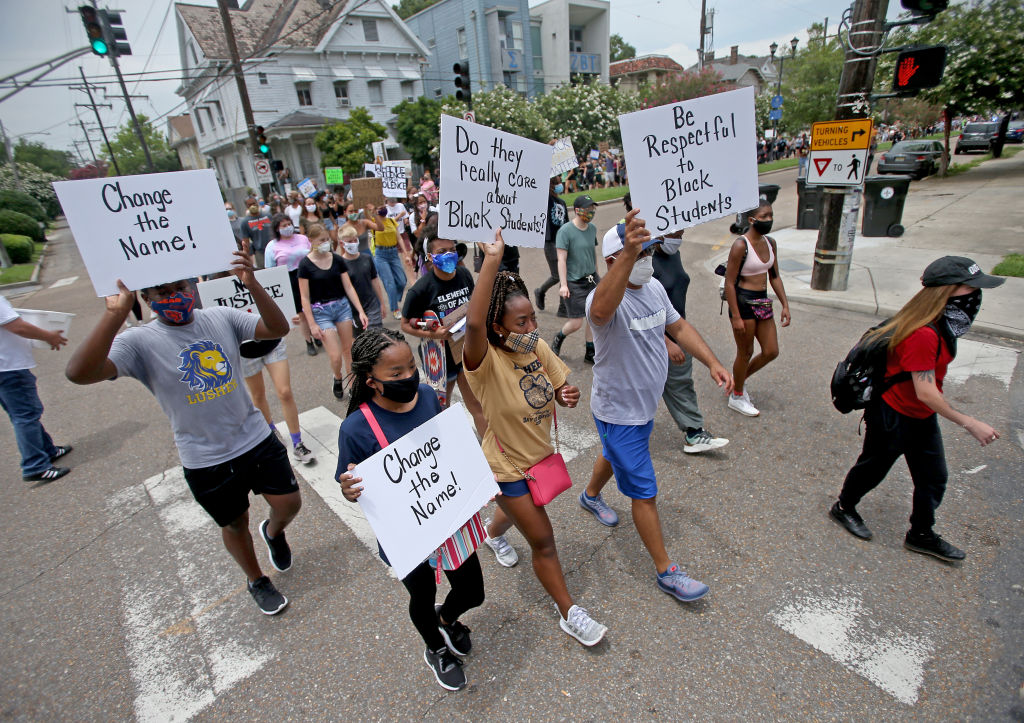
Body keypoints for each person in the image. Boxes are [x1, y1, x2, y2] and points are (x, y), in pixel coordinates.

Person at [65, 245, 301, 615]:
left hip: (255, 437)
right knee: (234, 522)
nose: (174, 296)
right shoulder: (138, 342)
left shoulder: (219, 317)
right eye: (161, 292)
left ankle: (273, 533)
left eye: (179, 286)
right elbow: (79, 373)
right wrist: (115, 315)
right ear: (146, 298)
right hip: (206, 458)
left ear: (192, 284)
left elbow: (277, 327)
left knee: (289, 504)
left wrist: (252, 283)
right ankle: (257, 579)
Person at [464, 230, 608, 647]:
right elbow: (473, 323)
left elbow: (563, 393)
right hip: (506, 466)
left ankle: (493, 534)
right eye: (521, 322)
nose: (531, 327)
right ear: (498, 326)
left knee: (518, 514)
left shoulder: (537, 348)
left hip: (539, 458)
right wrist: (492, 260)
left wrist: (567, 395)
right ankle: (570, 612)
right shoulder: (483, 359)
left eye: (532, 319)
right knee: (543, 540)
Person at [580, 211, 732, 603]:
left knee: (613, 454)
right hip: (618, 411)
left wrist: (712, 361)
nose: (649, 258)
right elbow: (600, 312)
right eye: (638, 253)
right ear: (615, 261)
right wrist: (629, 251)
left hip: (642, 408)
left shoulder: (654, 290)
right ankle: (667, 572)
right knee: (643, 491)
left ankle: (590, 495)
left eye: (648, 251)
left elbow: (677, 327)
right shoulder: (604, 299)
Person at [337, 329, 485, 691]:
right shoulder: (356, 428)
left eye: (411, 367)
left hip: (448, 516)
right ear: (372, 382)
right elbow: (349, 482)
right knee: (422, 597)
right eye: (396, 373)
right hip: (407, 533)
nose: (408, 377)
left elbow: (445, 446)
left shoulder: (426, 396)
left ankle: (447, 619)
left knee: (473, 593)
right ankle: (435, 648)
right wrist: (349, 487)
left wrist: (475, 479)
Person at [830, 257, 1004, 562]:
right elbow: (925, 392)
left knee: (933, 478)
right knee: (873, 468)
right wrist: (969, 422)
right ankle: (843, 507)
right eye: (971, 288)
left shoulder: (941, 324)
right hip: (893, 416)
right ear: (948, 291)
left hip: (920, 417)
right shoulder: (924, 333)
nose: (976, 295)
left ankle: (921, 534)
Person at [622, 193, 729, 453]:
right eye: (676, 231)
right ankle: (622, 435)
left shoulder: (672, 254)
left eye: (682, 231)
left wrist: (712, 362)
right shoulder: (643, 263)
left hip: (675, 327)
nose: (680, 235)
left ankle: (694, 431)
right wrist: (666, 341)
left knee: (680, 382)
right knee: (639, 388)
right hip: (653, 337)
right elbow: (635, 308)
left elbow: (675, 315)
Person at [400, 235, 487, 437]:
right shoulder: (420, 290)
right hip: (439, 359)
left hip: (465, 351)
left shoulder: (464, 275)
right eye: (441, 252)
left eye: (452, 250)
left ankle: (492, 454)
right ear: (430, 257)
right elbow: (405, 324)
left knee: (477, 405)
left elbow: (473, 305)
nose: (448, 255)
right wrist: (433, 334)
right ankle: (449, 452)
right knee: (442, 409)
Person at [723, 200, 791, 417]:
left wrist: (785, 305)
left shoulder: (770, 243)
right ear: (752, 220)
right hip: (743, 301)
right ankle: (737, 395)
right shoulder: (740, 245)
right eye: (764, 216)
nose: (769, 220)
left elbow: (775, 276)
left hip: (762, 301)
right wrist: (735, 315)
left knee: (771, 351)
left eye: (771, 215)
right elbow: (729, 282)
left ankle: (738, 381)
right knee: (746, 352)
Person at [0, 298, 73, 482]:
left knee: (21, 414)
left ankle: (48, 450)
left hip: (3, 369)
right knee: (26, 415)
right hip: (9, 367)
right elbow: (18, 327)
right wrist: (49, 336)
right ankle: (36, 465)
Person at [298, 223, 369, 399]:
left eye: (327, 239)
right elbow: (304, 297)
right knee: (335, 356)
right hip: (321, 312)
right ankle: (337, 377)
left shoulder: (337, 260)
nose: (326, 243)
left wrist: (360, 311)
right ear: (311, 240)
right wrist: (312, 324)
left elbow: (349, 287)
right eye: (322, 240)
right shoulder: (305, 265)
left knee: (349, 349)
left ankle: (353, 386)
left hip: (341, 307)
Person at [552, 195, 599, 364]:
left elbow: (592, 254)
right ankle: (558, 337)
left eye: (592, 208)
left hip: (592, 279)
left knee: (594, 317)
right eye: (588, 208)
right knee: (576, 322)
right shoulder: (565, 231)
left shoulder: (592, 228)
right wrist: (564, 285)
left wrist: (596, 274)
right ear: (577, 210)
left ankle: (590, 351)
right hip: (574, 282)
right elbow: (561, 259)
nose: (591, 212)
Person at [264, 213, 319, 357]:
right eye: (283, 225)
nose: (287, 227)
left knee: (315, 307)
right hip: (290, 279)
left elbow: (314, 253)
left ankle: (317, 332)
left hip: (309, 275)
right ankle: (309, 341)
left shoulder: (302, 238)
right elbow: (270, 270)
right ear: (277, 229)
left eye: (289, 224)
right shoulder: (272, 246)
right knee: (302, 313)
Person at [338, 226, 388, 335]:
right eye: (349, 241)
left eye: (355, 240)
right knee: (360, 340)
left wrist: (382, 303)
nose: (353, 243)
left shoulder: (367, 258)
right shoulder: (340, 264)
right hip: (352, 310)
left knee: (376, 335)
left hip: (371, 304)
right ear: (342, 244)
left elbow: (375, 281)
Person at [533, 175, 569, 312]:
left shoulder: (562, 202)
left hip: (563, 242)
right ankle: (540, 291)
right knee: (557, 275)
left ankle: (563, 306)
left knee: (565, 273)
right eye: (558, 183)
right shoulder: (547, 200)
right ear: (552, 185)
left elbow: (566, 224)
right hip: (550, 242)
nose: (561, 185)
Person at [371, 204, 408, 321]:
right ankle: (395, 308)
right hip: (381, 255)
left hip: (393, 253)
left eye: (383, 206)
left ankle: (394, 297)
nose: (382, 209)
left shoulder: (392, 221)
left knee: (402, 281)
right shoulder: (373, 222)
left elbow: (399, 238)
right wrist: (371, 210)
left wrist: (406, 254)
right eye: (379, 207)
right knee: (390, 283)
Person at [240, 204, 274, 269]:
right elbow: (245, 241)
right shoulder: (245, 222)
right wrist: (248, 256)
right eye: (249, 204)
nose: (252, 206)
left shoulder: (268, 216)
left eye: (254, 203)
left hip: (274, 248)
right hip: (260, 252)